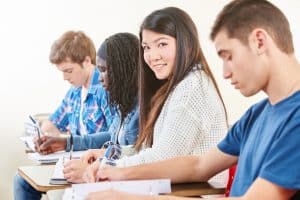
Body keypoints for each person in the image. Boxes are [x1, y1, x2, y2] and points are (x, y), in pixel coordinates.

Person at [84, 1, 300, 199]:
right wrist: (118, 173)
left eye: (229, 56)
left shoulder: (296, 118)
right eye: (147, 48)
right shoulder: (257, 115)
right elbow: (199, 165)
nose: (224, 73)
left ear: (260, 42)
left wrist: (128, 197)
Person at [83, 6, 228, 185]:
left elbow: (164, 158)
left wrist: (112, 168)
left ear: (185, 43)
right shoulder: (178, 85)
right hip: (177, 189)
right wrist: (109, 158)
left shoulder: (191, 87)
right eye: (146, 47)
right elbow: (152, 150)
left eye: (162, 44)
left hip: (195, 193)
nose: (152, 56)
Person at [13, 31, 115, 200]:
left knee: (23, 183)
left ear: (88, 61)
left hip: (93, 162)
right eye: (62, 71)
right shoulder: (74, 91)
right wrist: (43, 138)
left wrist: (67, 142)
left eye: (68, 71)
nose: (65, 77)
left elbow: (115, 136)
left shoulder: (104, 88)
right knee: (21, 180)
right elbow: (53, 123)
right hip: (72, 158)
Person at [62, 32, 140, 183]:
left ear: (123, 70)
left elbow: (140, 157)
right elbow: (120, 146)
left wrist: (96, 168)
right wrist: (103, 153)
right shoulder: (122, 104)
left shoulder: (143, 109)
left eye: (104, 70)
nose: (99, 78)